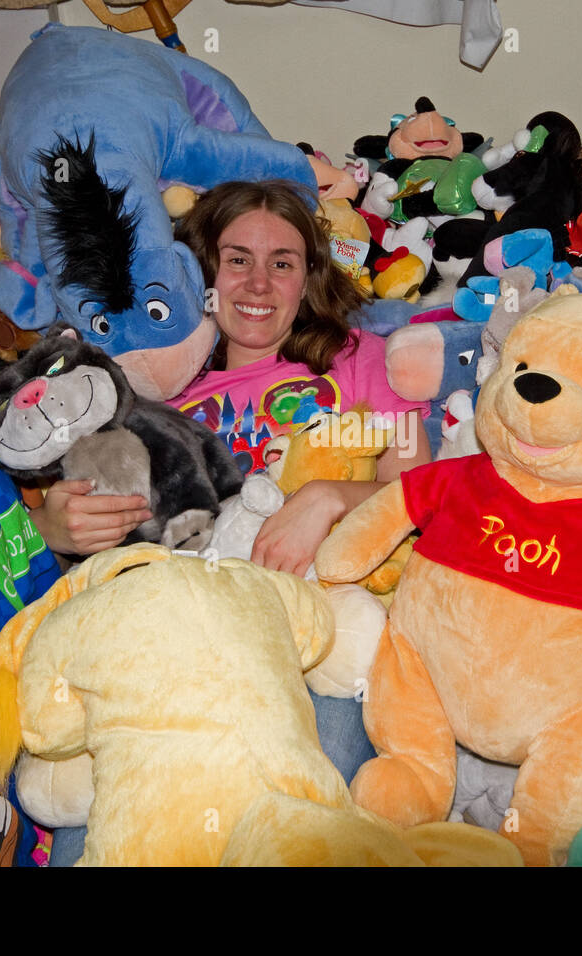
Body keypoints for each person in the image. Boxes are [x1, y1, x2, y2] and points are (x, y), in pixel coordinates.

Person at [36, 182, 430, 864]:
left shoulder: (360, 358)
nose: (258, 283)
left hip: (316, 634)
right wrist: (52, 526)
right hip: (170, 638)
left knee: (311, 814)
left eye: (283, 262)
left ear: (308, 278)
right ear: (198, 272)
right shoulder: (150, 381)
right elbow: (68, 513)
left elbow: (424, 490)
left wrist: (327, 496)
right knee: (106, 828)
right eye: (236, 259)